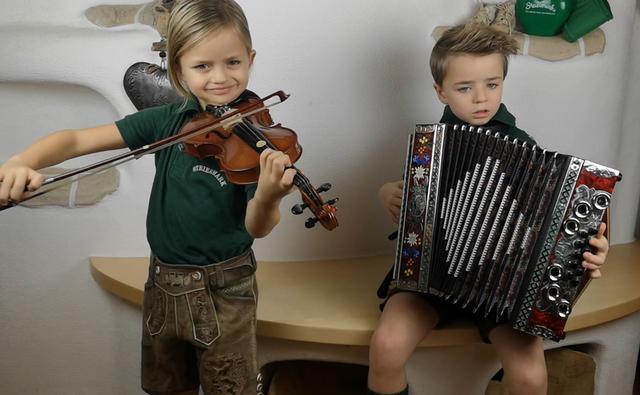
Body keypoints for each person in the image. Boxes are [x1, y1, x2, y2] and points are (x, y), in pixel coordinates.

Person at [0, 1, 295, 394]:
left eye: (233, 62)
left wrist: (270, 197)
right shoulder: (169, 121)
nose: (220, 78)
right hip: (163, 285)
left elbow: (256, 227)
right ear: (178, 69)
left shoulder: (256, 141)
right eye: (202, 66)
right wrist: (23, 160)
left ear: (250, 59)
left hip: (226, 292)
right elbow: (75, 139)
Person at [367, 24, 610, 395]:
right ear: (440, 92)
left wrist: (590, 250)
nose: (481, 98)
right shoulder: (430, 145)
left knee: (530, 375)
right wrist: (386, 191)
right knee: (385, 346)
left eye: (492, 84)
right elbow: (412, 200)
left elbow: (554, 228)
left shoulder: (525, 148)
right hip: (431, 277)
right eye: (465, 88)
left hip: (503, 286)